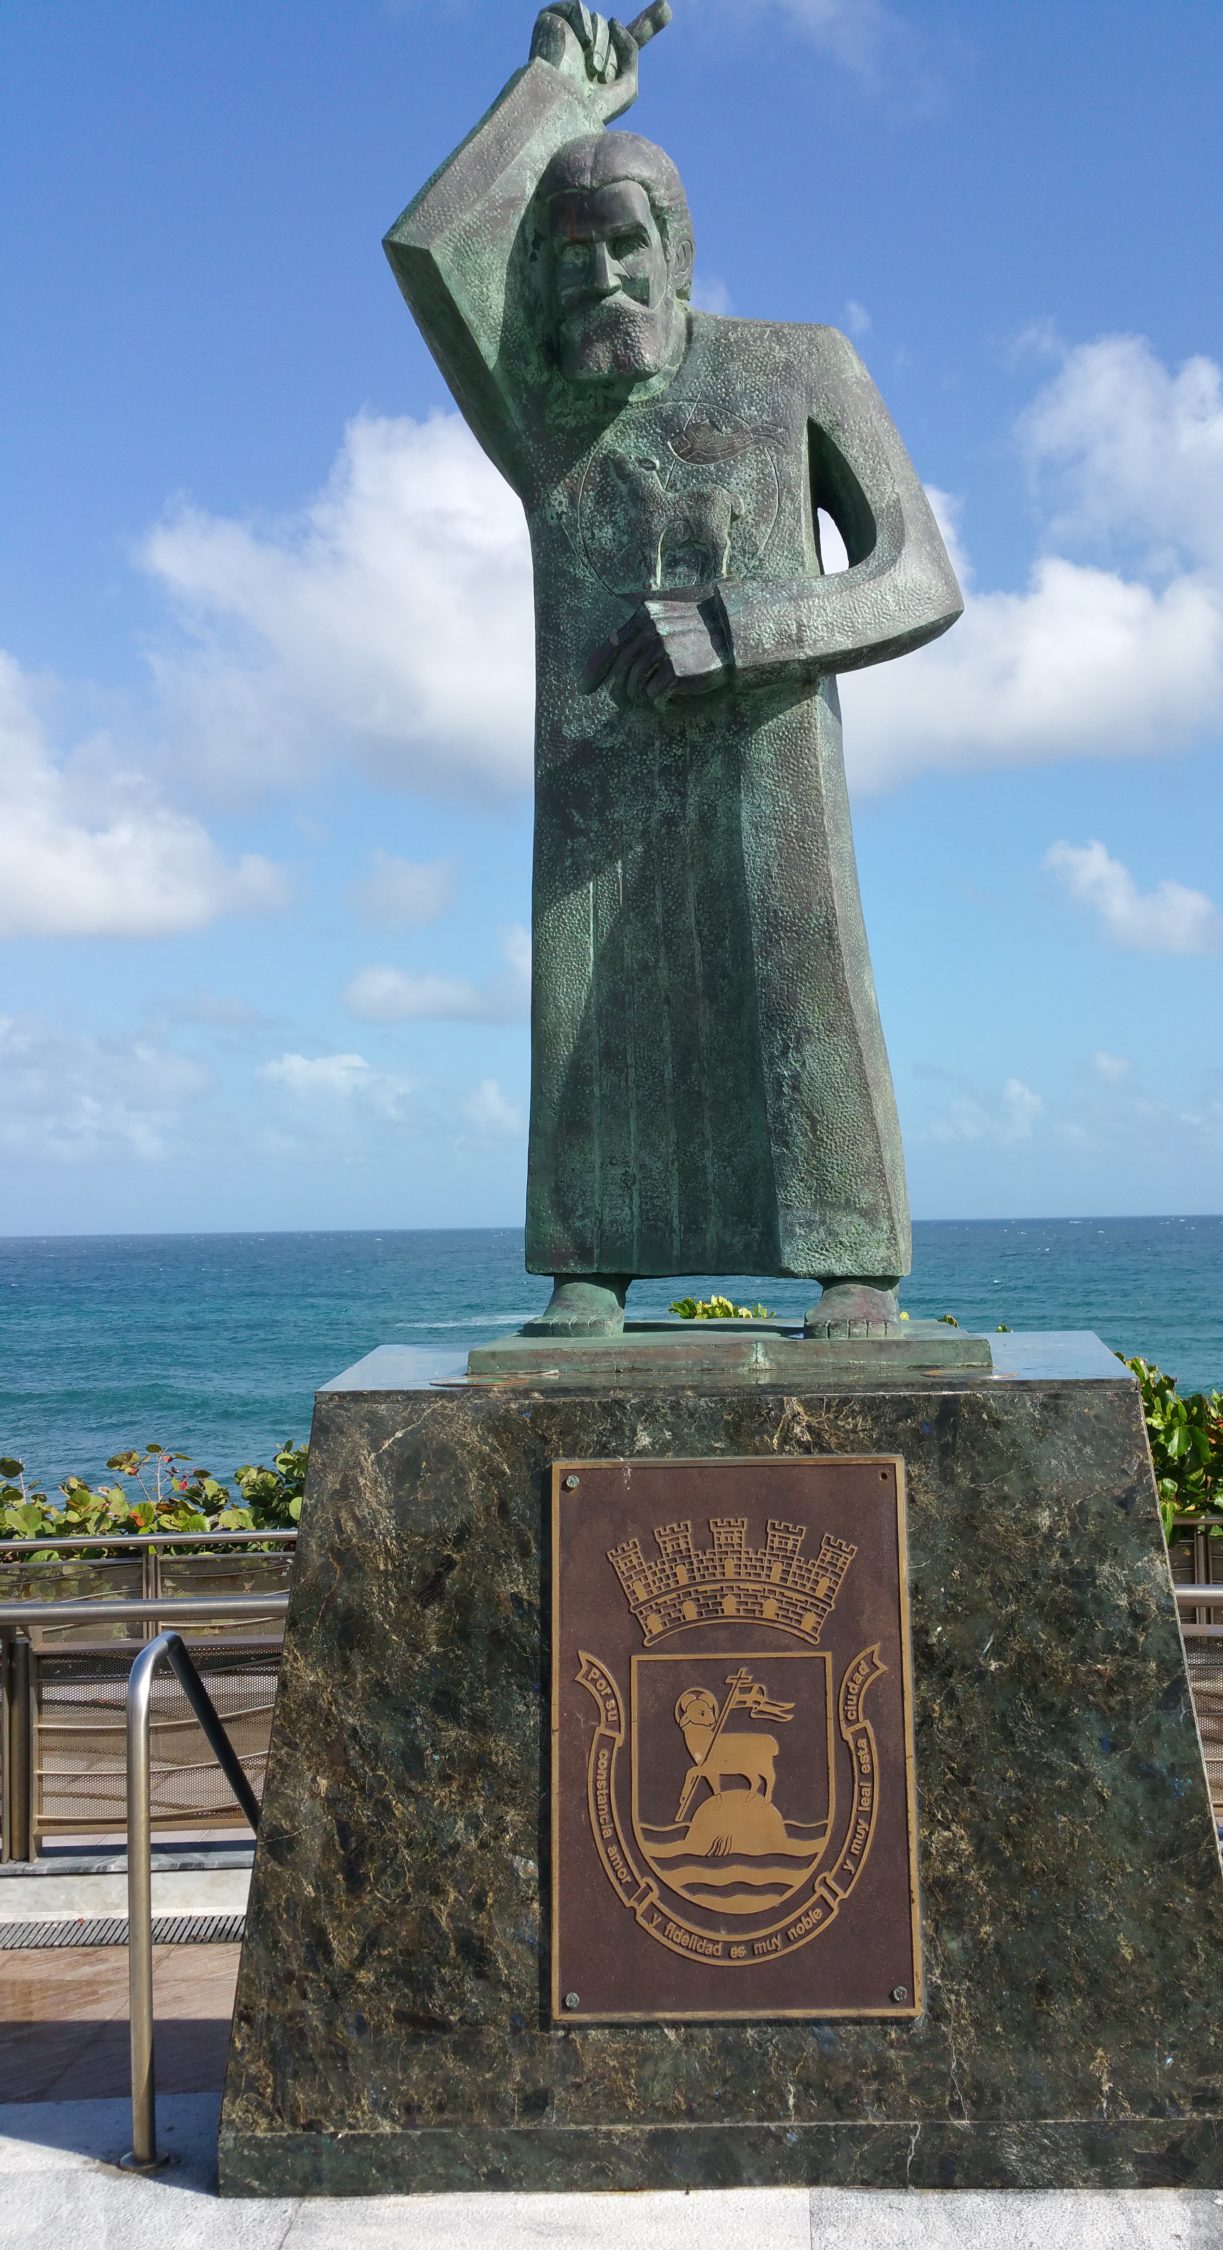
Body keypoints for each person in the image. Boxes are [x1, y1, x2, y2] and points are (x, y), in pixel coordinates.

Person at [385, 2, 962, 1336]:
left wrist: (749, 629)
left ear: (680, 256)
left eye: (624, 247)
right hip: (600, 778)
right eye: (569, 255)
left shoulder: (798, 369)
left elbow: (921, 578)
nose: (598, 281)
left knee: (799, 967)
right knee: (592, 991)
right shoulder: (546, 415)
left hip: (770, 768)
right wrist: (554, 96)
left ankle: (852, 1260)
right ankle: (593, 1252)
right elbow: (429, 246)